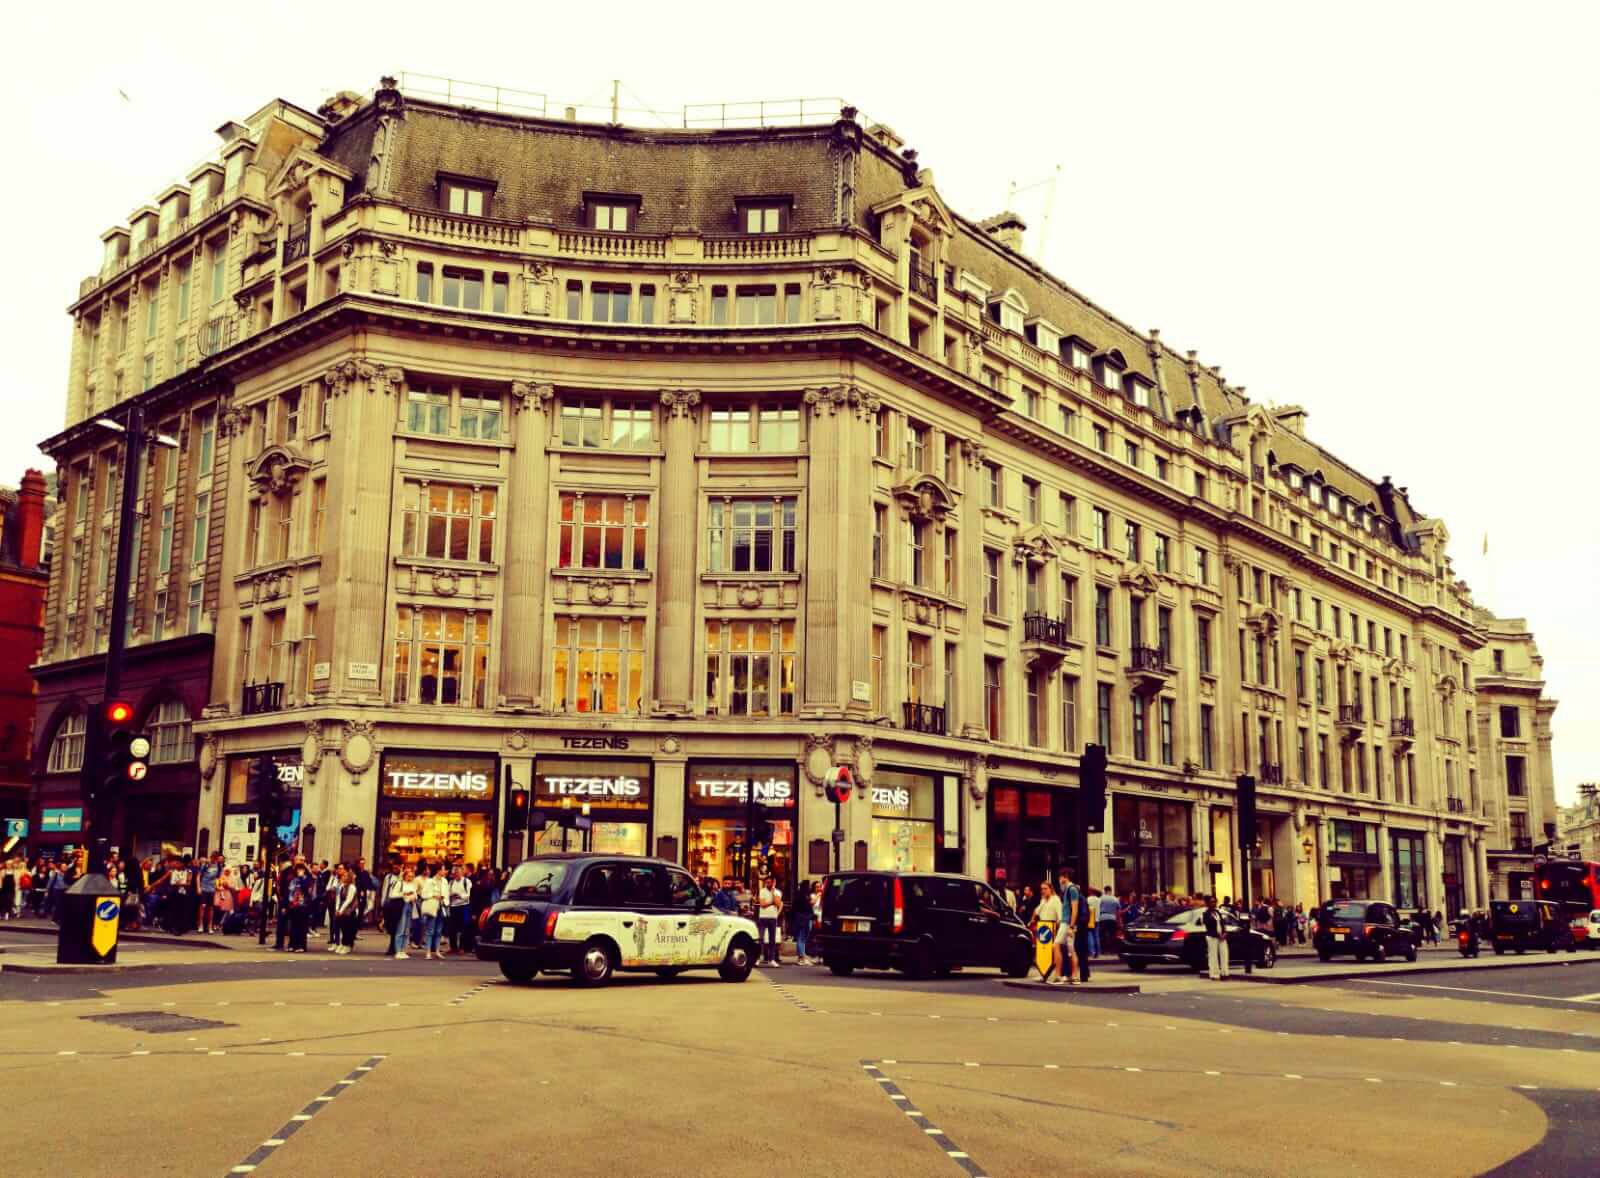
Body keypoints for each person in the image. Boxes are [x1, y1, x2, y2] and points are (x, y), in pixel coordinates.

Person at [1058, 868, 1085, 984]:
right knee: (1069, 949)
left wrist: (1071, 926)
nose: (1059, 880)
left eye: (1060, 877)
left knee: (1063, 947)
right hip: (1066, 922)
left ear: (1065, 876)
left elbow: (1075, 910)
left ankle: (1073, 976)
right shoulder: (1068, 890)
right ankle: (1072, 976)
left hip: (1068, 923)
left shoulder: (1072, 889)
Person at [1034, 880, 1064, 983]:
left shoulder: (1056, 900)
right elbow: (1037, 911)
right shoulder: (1043, 900)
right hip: (1043, 928)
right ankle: (1044, 974)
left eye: (1045, 889)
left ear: (1051, 889)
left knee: (1054, 953)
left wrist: (1058, 930)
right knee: (1043, 953)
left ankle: (1058, 975)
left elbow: (1060, 917)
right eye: (1041, 889)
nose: (1043, 891)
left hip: (1052, 928)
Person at [332, 865, 360, 955]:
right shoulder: (341, 887)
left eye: (345, 876)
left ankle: (347, 945)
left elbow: (348, 900)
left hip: (350, 911)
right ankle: (342, 944)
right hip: (341, 909)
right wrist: (337, 909)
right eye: (343, 876)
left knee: (348, 928)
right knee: (342, 927)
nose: (343, 878)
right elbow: (338, 899)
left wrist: (341, 910)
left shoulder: (352, 887)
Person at [1202, 894, 1230, 980]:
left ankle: (1224, 973)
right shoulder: (1206, 914)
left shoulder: (1218, 912)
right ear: (1207, 903)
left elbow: (1222, 923)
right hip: (1212, 936)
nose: (1214, 903)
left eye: (1215, 902)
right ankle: (1214, 974)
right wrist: (1218, 935)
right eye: (1211, 902)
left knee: (1224, 953)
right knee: (1213, 955)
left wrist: (1225, 932)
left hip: (1222, 936)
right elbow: (1208, 926)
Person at [757, 875, 782, 966]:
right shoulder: (762, 891)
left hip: (773, 917)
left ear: (773, 882)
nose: (768, 884)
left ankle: (771, 959)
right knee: (761, 938)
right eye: (766, 882)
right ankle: (758, 957)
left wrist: (772, 893)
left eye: (769, 882)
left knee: (772, 939)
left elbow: (778, 903)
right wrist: (772, 902)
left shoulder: (777, 892)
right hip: (763, 916)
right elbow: (762, 904)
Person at [791, 879, 815, 966]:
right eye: (808, 886)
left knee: (800, 938)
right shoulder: (804, 896)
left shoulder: (798, 895)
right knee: (802, 938)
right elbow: (809, 906)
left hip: (799, 918)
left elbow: (794, 908)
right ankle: (802, 957)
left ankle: (801, 957)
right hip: (805, 918)